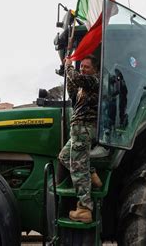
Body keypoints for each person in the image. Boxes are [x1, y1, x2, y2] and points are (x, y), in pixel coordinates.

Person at [58, 55, 103, 223]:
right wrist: (66, 68)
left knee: (78, 168)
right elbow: (72, 89)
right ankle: (90, 173)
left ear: (95, 70)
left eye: (87, 67)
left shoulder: (95, 81)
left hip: (84, 127)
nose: (83, 69)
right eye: (81, 66)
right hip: (77, 129)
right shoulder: (83, 87)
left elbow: (76, 77)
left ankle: (84, 208)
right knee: (64, 157)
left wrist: (69, 66)